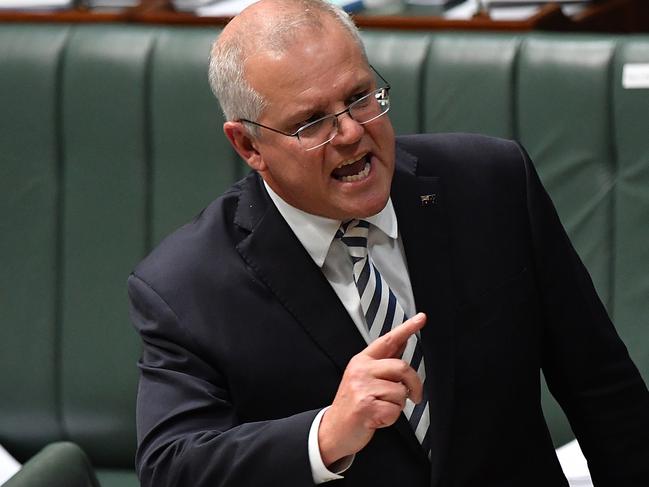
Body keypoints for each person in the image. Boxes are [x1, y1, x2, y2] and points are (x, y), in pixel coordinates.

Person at [127, 0, 649, 485]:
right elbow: (173, 464)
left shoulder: (493, 186)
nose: (352, 133)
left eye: (358, 98)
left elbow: (605, 394)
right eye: (312, 122)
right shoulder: (184, 285)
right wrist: (325, 437)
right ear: (248, 144)